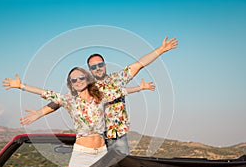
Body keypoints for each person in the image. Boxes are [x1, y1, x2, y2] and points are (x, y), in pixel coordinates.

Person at [19, 36, 178, 155]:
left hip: (117, 136)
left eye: (100, 64)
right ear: (89, 69)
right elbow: (61, 101)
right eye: (93, 66)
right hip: (97, 138)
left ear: (105, 65)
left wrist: (160, 50)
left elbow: (139, 64)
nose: (97, 68)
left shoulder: (118, 79)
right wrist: (39, 113)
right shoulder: (86, 87)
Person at [3, 67, 135, 167]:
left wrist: (141, 88)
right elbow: (47, 93)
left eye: (81, 78)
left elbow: (120, 91)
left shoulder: (100, 97)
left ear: (88, 79)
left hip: (102, 151)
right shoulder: (69, 100)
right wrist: (22, 86)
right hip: (82, 152)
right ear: (71, 84)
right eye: (74, 80)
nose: (78, 81)